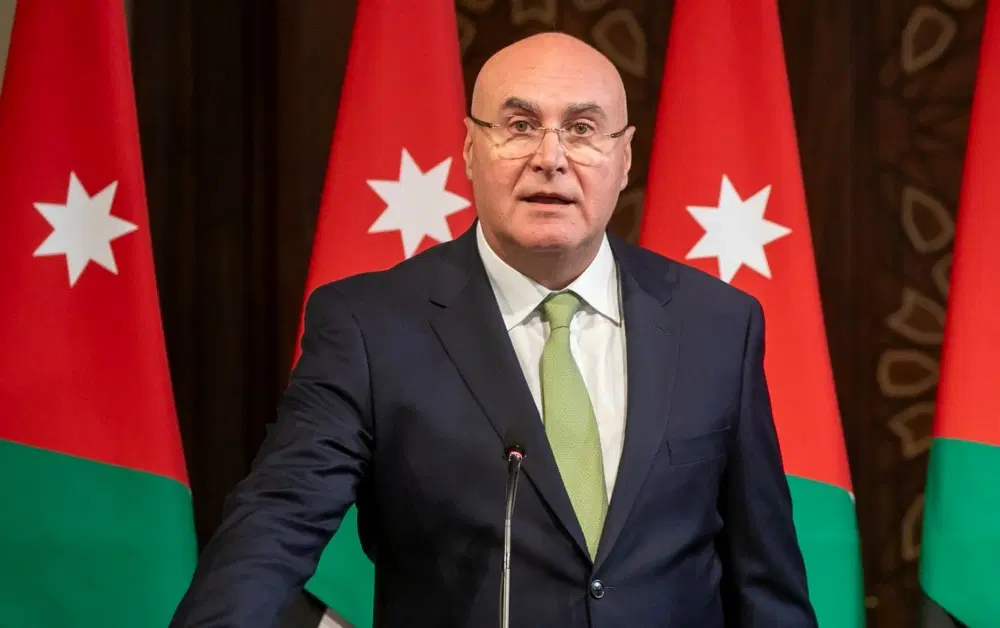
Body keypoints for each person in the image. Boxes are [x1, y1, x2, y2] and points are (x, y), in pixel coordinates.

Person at [169, 32, 817, 627]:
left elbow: (765, 582)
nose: (550, 158)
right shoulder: (370, 327)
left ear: (624, 157)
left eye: (583, 129)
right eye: (519, 125)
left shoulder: (717, 324)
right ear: (470, 149)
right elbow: (274, 526)